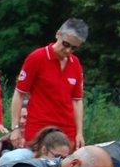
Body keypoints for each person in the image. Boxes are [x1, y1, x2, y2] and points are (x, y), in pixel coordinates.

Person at [9, 19, 86, 148]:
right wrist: (15, 128)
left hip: (67, 130)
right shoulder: (37, 58)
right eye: (66, 44)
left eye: (74, 48)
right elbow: (19, 93)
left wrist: (79, 133)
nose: (68, 50)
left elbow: (77, 100)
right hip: (39, 129)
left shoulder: (76, 64)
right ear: (58, 34)